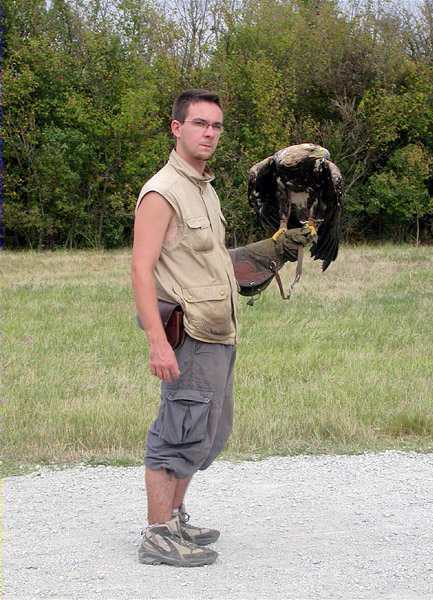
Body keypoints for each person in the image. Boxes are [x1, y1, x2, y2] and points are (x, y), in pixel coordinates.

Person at [132, 89, 238, 567]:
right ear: (177, 128)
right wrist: (158, 342)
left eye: (215, 126)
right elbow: (141, 268)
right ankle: (157, 535)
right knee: (177, 432)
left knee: (205, 433)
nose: (209, 133)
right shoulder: (162, 191)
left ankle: (174, 518)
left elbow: (210, 260)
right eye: (199, 124)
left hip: (218, 333)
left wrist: (276, 248)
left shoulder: (204, 187)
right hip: (188, 335)